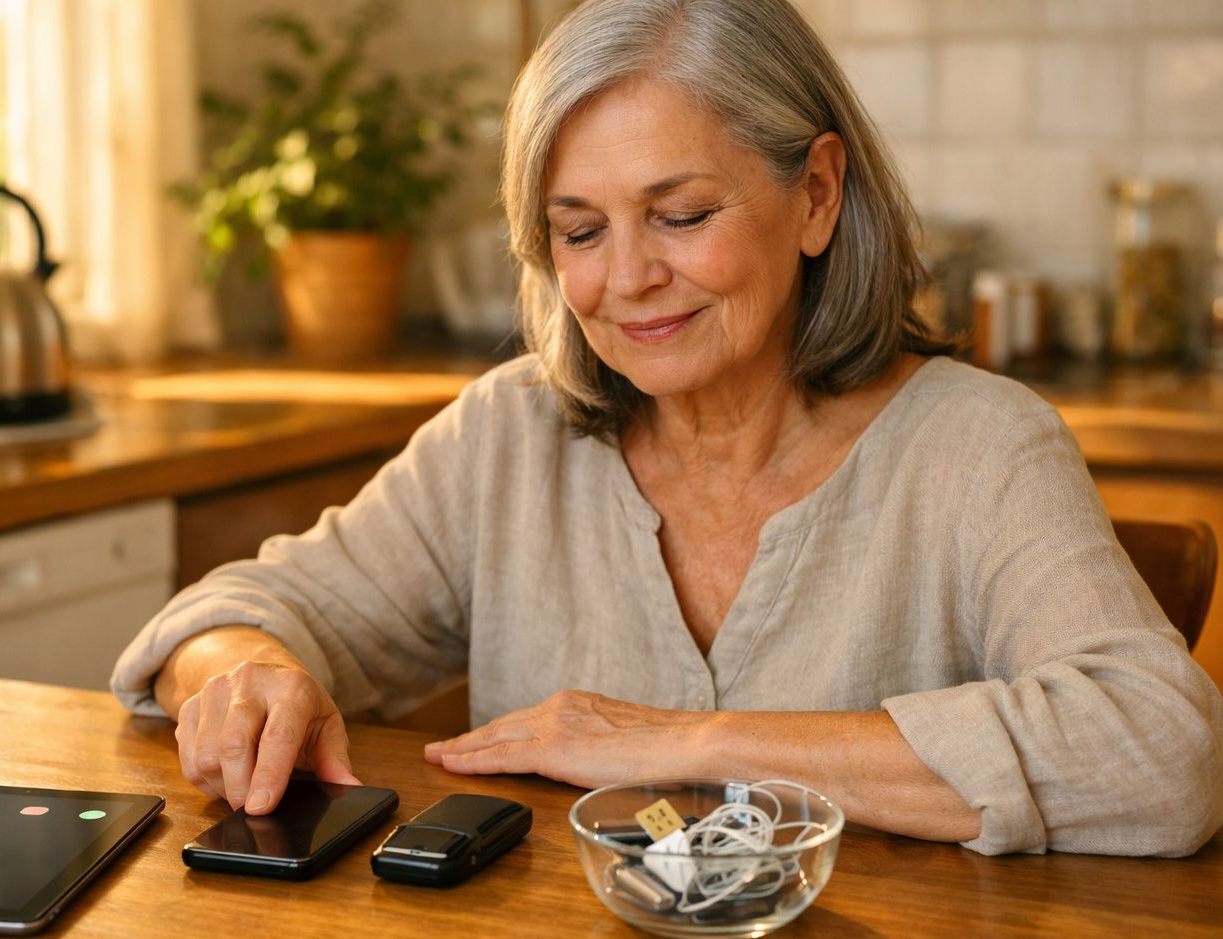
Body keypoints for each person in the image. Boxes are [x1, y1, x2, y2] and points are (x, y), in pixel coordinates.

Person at [112, 0, 1223, 856]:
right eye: (580, 231)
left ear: (819, 194)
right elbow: (232, 614)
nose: (630, 279)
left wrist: (681, 742)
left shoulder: (980, 447)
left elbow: (1165, 757)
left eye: (681, 216)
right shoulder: (512, 437)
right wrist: (249, 669)